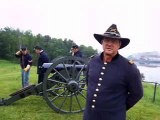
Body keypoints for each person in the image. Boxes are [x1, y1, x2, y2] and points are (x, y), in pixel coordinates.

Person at [83, 24, 143, 120]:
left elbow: (137, 94)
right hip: (89, 116)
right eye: (106, 40)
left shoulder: (129, 68)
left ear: (119, 45)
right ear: (102, 43)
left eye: (114, 41)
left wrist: (119, 108)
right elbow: (89, 83)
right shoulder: (93, 61)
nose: (109, 44)